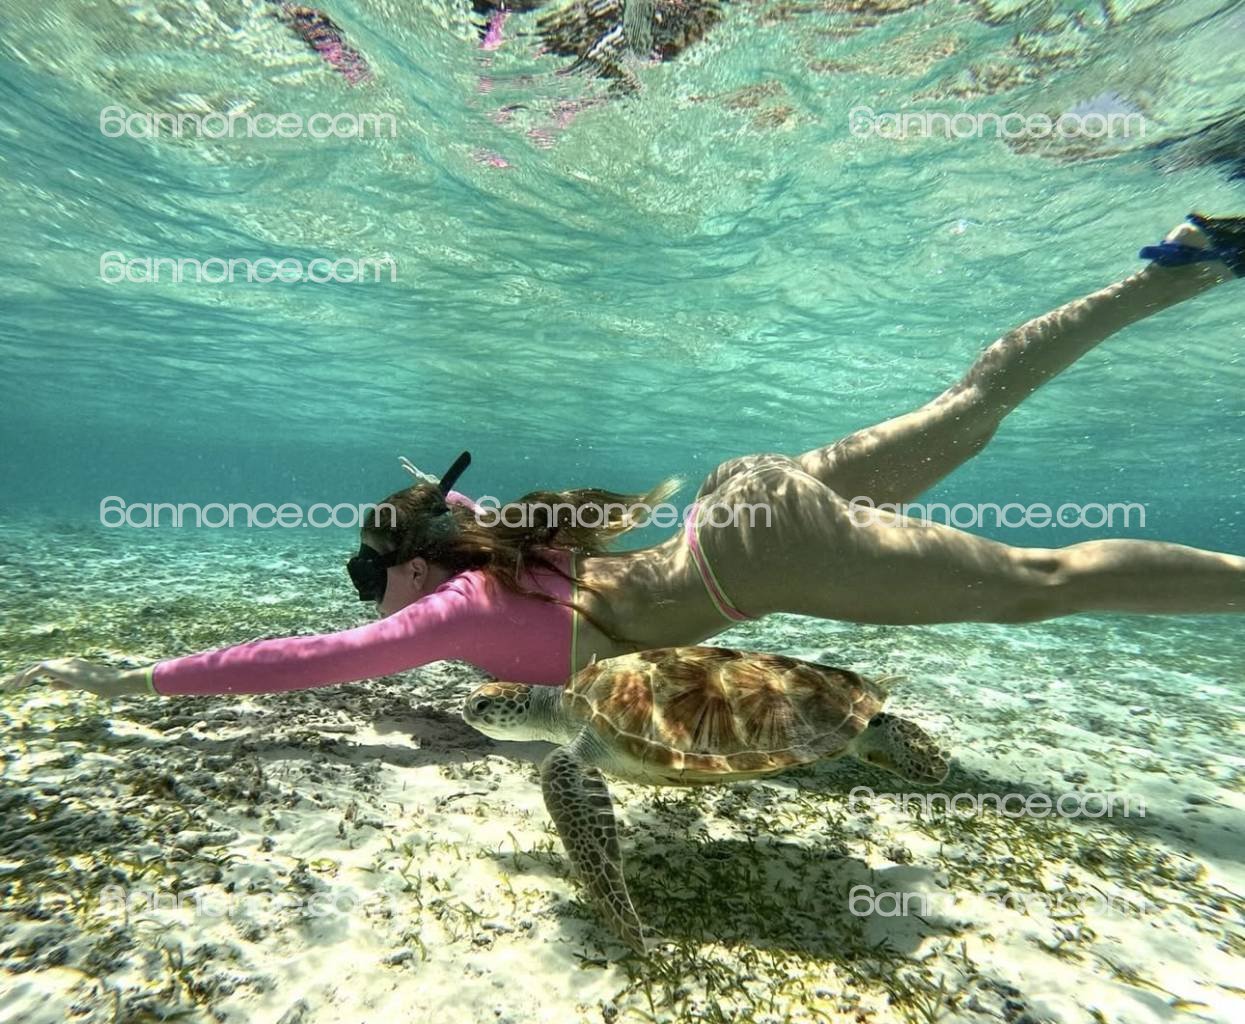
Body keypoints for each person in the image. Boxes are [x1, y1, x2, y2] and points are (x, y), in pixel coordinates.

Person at [6, 214, 1244, 701]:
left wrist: (145, 675)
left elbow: (307, 658)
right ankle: (1177, 268)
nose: (367, 598)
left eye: (365, 574)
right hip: (740, 500)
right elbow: (457, 529)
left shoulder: (448, 610)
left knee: (1040, 584)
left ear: (410, 567)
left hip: (761, 551)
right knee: (972, 404)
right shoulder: (502, 555)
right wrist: (420, 510)